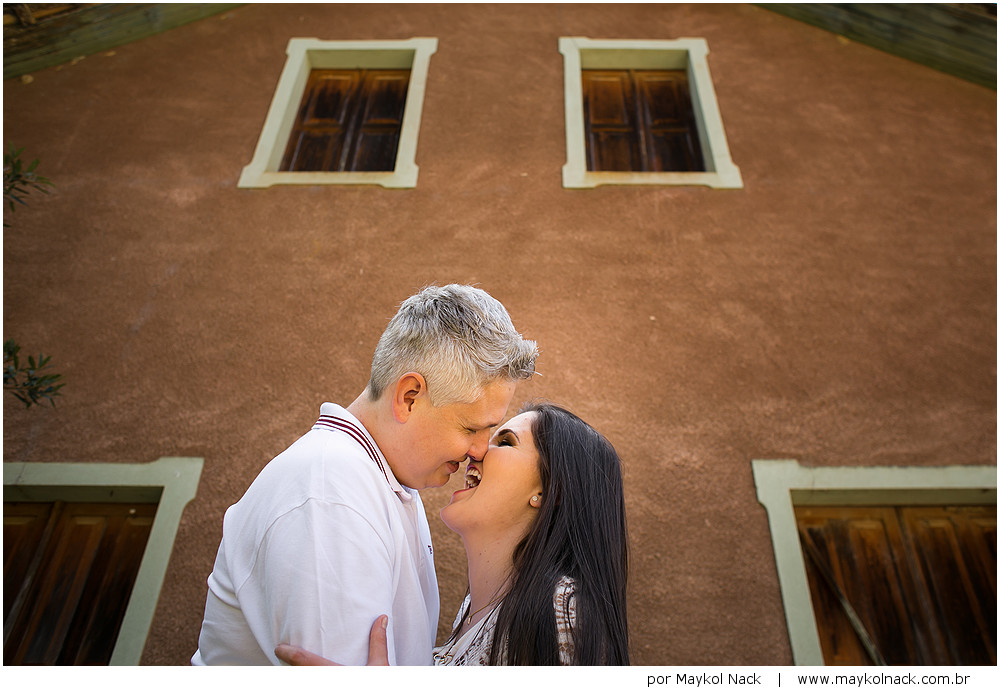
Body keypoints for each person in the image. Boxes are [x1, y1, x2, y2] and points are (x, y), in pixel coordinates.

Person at [191, 284, 538, 665]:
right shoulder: (332, 495)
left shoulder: (376, 483)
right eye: (471, 429)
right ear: (409, 397)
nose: (479, 451)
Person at [277, 402, 630, 665]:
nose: (475, 452)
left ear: (551, 491)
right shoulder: (474, 612)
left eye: (505, 442)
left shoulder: (562, 610)